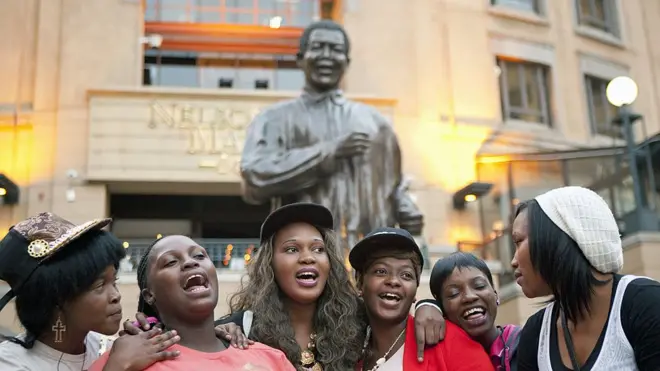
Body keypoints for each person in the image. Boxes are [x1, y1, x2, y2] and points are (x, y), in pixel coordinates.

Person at [240, 19, 424, 250]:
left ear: (346, 62)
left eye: (335, 49)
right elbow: (254, 176)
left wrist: (404, 205)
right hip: (305, 261)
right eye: (318, 47)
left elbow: (393, 185)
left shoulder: (376, 124)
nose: (326, 55)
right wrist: (328, 153)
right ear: (300, 58)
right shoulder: (274, 119)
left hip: (366, 258)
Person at [0, 212, 178, 371]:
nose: (116, 296)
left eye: (114, 281)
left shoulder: (109, 348)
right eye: (99, 285)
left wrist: (155, 335)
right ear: (56, 298)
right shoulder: (9, 363)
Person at [90, 234, 296, 371]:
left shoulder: (271, 359)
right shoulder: (124, 361)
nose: (190, 262)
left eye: (199, 255)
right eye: (171, 261)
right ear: (149, 295)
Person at [511, 186, 660, 370]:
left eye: (519, 242)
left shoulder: (645, 303)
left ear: (555, 239)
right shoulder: (535, 333)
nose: (513, 261)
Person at [350, 227, 495, 371]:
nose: (394, 281)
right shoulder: (346, 350)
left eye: (406, 275)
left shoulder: (450, 343)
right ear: (360, 282)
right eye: (381, 271)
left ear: (415, 291)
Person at [428, 252, 520, 371]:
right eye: (454, 293)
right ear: (442, 309)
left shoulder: (526, 343)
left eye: (479, 286)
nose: (469, 297)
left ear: (495, 294)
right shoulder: (439, 357)